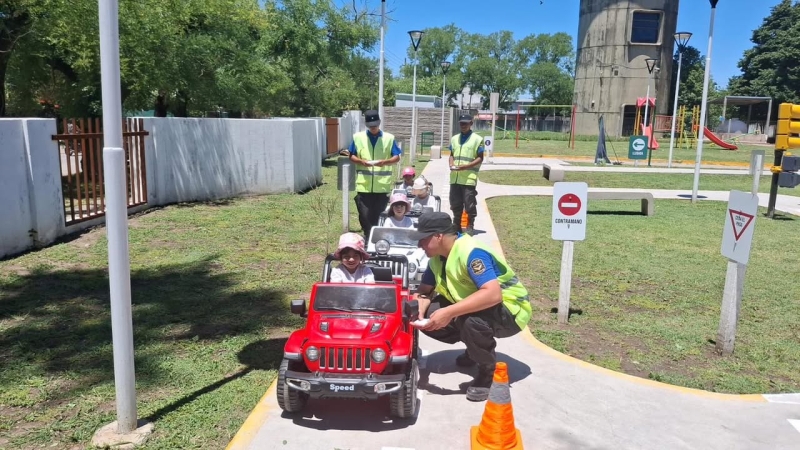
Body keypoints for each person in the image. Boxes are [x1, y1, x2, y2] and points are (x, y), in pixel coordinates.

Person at [409, 212, 532, 402]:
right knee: (432, 312)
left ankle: (487, 372)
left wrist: (449, 312)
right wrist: (419, 309)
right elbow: (424, 291)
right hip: (480, 306)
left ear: (438, 236)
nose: (419, 245)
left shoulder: (472, 252)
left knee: (469, 321)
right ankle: (475, 350)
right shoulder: (437, 258)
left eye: (423, 240)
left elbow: (493, 294)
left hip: (511, 310)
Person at [345, 110, 402, 237]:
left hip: (382, 186)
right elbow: (351, 155)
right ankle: (368, 236)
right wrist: (361, 161)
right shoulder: (358, 137)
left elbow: (397, 157)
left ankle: (378, 237)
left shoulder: (389, 138)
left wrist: (385, 162)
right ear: (366, 125)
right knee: (365, 215)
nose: (373, 128)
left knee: (379, 215)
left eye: (375, 125)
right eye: (370, 126)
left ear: (379, 123)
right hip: (364, 185)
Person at [449, 114, 484, 235]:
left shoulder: (477, 139)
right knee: (455, 203)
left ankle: (470, 225)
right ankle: (456, 224)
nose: (463, 125)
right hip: (455, 177)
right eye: (461, 123)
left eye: (466, 123)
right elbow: (451, 154)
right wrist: (451, 164)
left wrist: (465, 167)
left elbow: (480, 158)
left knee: (469, 203)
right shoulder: (454, 139)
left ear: (471, 124)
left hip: (469, 178)